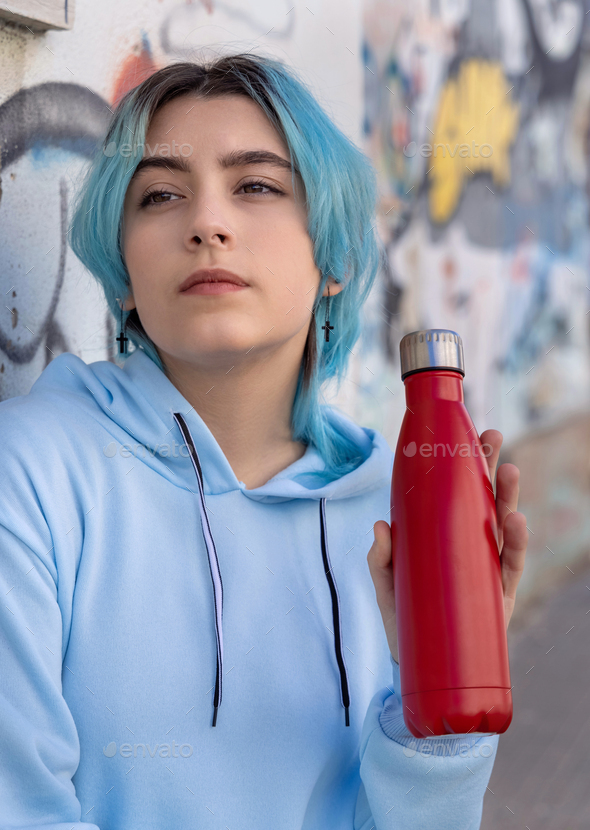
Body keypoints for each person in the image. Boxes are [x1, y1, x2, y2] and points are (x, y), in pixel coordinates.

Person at [0, 52, 528, 829]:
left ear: (335, 259)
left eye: (256, 185)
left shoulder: (397, 504)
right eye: (160, 195)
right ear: (121, 274)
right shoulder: (34, 471)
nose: (207, 223)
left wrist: (438, 709)